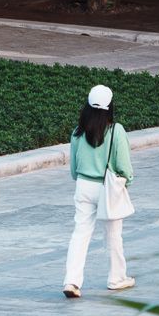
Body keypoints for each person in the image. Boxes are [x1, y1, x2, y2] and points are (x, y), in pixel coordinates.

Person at [63, 84, 133, 298]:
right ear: (110, 107)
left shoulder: (77, 132)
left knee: (80, 234)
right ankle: (116, 278)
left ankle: (71, 281)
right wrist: (126, 183)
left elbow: (73, 170)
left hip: (83, 186)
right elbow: (124, 167)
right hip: (107, 187)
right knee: (113, 235)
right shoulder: (116, 130)